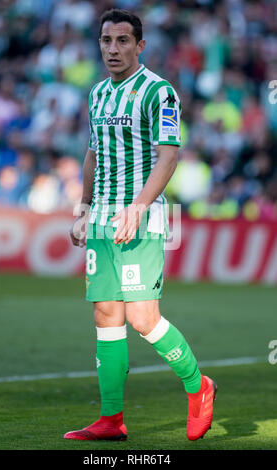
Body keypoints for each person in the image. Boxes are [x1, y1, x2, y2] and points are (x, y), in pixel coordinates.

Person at [65, 9, 217, 442]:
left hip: (143, 217)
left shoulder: (160, 92)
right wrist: (82, 207)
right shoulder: (96, 94)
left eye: (123, 41)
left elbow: (169, 155)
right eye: (106, 41)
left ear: (140, 46)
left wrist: (137, 206)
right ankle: (112, 418)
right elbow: (93, 153)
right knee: (106, 314)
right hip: (100, 218)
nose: (113, 49)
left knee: (144, 318)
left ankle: (198, 386)